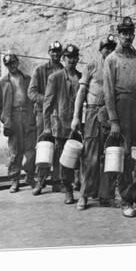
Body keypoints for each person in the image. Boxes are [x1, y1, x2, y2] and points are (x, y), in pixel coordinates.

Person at [103, 16, 136, 218]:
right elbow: (108, 92)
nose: (127, 36)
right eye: (123, 33)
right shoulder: (111, 60)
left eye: (130, 32)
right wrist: (114, 120)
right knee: (124, 155)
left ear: (134, 34)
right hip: (122, 106)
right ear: (118, 35)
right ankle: (126, 198)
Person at [71, 35, 117, 210]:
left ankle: (106, 195)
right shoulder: (91, 66)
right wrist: (76, 117)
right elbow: (81, 93)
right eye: (106, 47)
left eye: (112, 47)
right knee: (90, 156)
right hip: (92, 112)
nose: (109, 50)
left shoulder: (116, 66)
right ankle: (84, 195)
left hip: (110, 114)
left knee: (109, 155)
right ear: (100, 50)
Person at [37, 44, 82, 204]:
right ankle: (68, 190)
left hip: (80, 124)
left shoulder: (81, 77)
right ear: (64, 58)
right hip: (62, 125)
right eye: (69, 57)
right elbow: (47, 104)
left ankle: (82, 187)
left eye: (75, 57)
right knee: (65, 159)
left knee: (81, 158)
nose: (72, 60)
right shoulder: (54, 78)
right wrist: (47, 126)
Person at [0, 54, 37, 193]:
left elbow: (34, 96)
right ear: (6, 66)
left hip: (28, 116)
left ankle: (29, 176)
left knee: (31, 150)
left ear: (18, 63)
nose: (12, 65)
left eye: (14, 62)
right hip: (12, 118)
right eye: (9, 64)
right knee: (15, 152)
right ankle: (14, 180)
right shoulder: (2, 82)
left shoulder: (27, 79)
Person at [28, 41, 64, 191]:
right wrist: (48, 100)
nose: (55, 54)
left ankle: (56, 181)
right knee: (44, 146)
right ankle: (40, 180)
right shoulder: (40, 70)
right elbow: (31, 93)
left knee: (59, 146)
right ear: (49, 53)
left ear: (61, 54)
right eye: (53, 51)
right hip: (43, 114)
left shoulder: (64, 70)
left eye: (58, 52)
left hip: (60, 114)